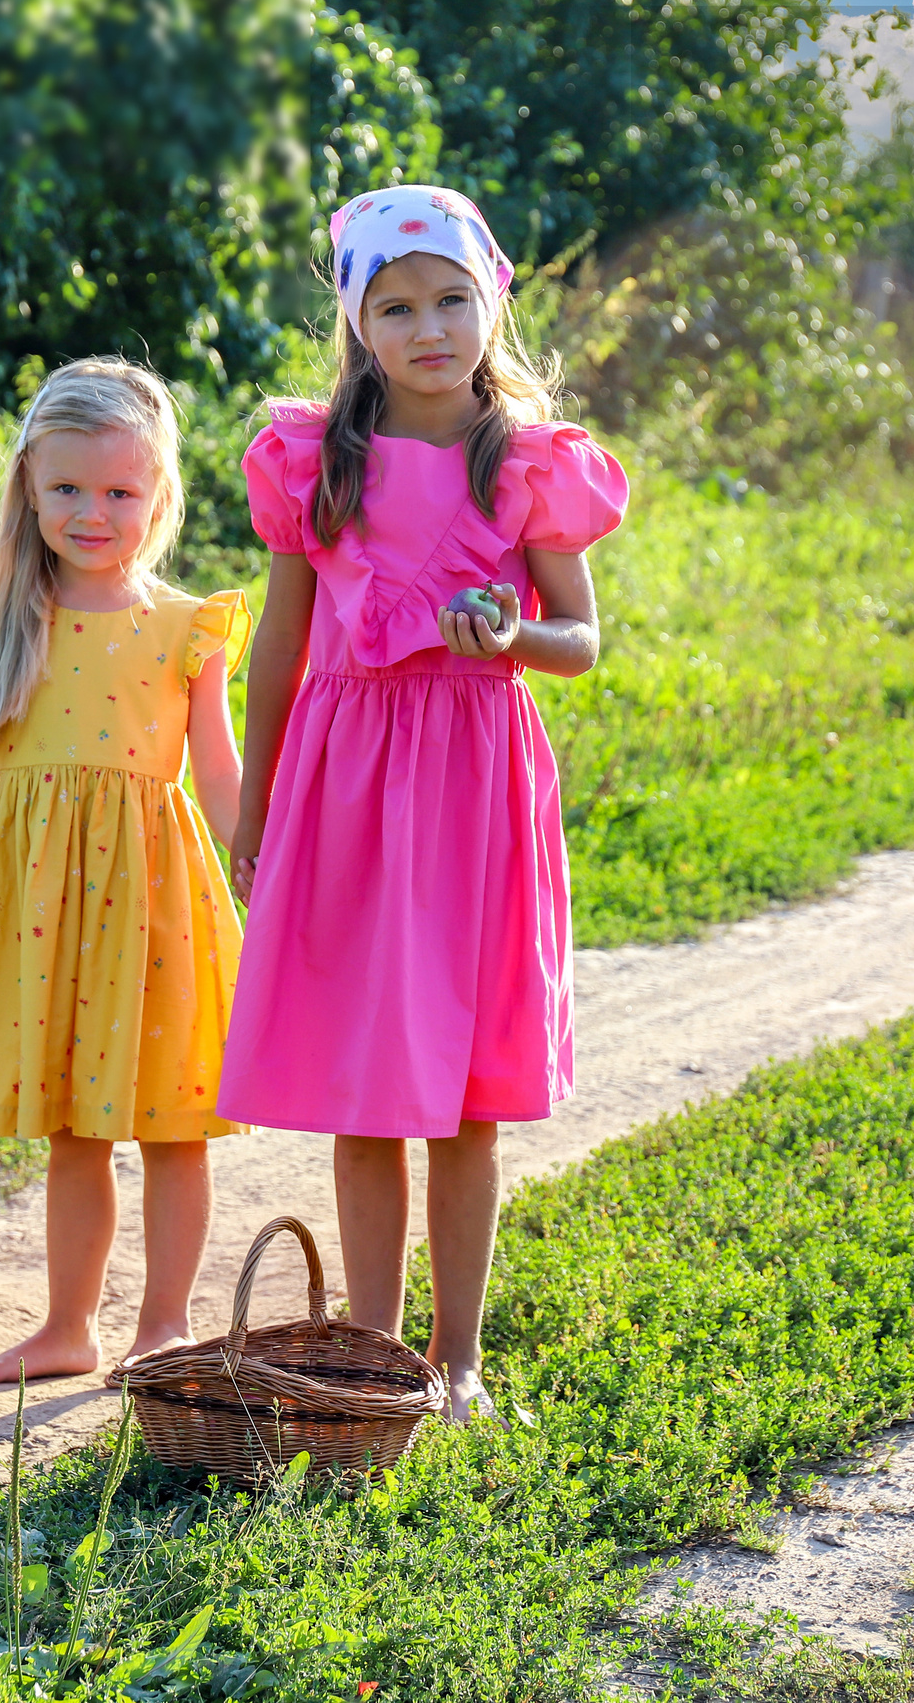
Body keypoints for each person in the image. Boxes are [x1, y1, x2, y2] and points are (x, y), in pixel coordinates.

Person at [219, 185, 630, 1424]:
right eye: (394, 307)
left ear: (491, 301)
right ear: (357, 323)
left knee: (463, 1095)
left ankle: (458, 1361)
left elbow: (581, 639)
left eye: (451, 298)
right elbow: (278, 647)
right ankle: (373, 1355)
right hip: (345, 791)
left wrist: (512, 632)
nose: (428, 327)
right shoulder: (314, 462)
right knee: (365, 1088)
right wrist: (254, 807)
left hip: (472, 794)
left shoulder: (528, 462)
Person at [0, 358, 250, 1383]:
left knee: (173, 1124)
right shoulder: (1, 619)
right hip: (39, 905)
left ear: (159, 495)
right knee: (73, 1126)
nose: (91, 512)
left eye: (118, 491)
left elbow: (217, 766)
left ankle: (165, 1324)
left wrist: (256, 864)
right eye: (66, 487)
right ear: (27, 484)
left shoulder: (186, 625)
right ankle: (69, 1327)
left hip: (155, 898)